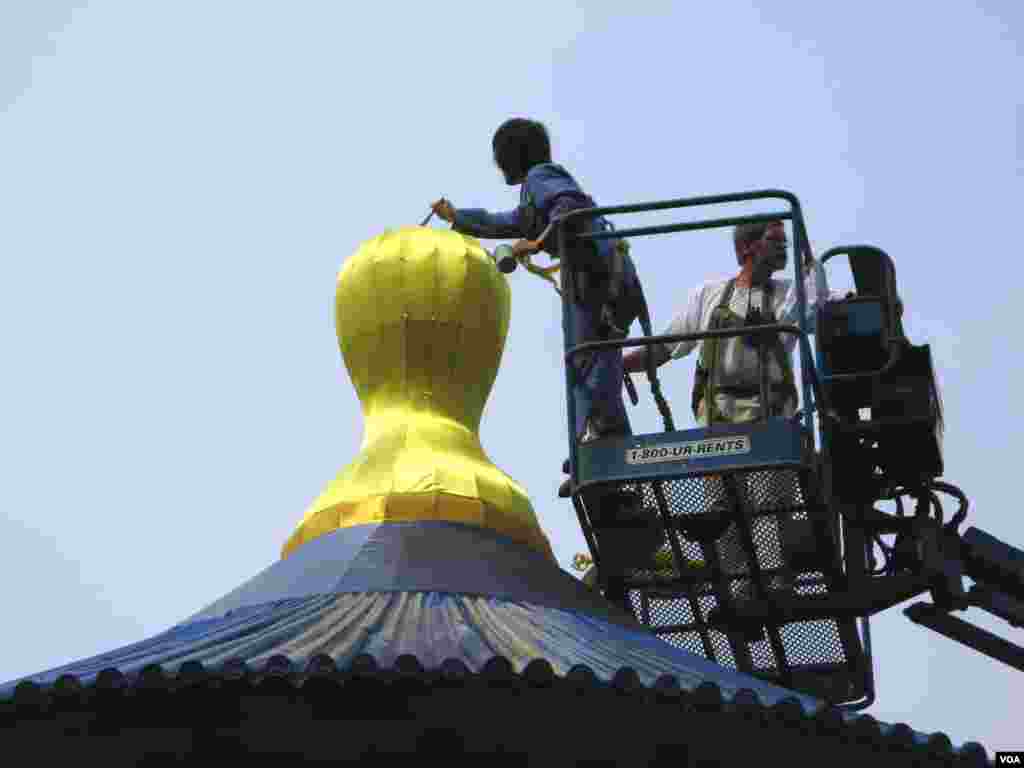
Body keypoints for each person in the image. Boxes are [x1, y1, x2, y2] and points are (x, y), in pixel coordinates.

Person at [430, 118, 645, 500]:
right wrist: (457, 217)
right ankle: (604, 455)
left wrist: (538, 242)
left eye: (499, 156)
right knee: (591, 364)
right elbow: (501, 223)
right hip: (596, 284)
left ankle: (601, 453)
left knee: (589, 365)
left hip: (598, 282)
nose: (497, 165)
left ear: (511, 155)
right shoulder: (531, 197)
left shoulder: (540, 177)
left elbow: (570, 206)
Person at [622, 219, 830, 598]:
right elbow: (665, 347)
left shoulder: (788, 295)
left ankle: (775, 586)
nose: (783, 247)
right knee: (723, 513)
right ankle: (738, 593)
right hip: (720, 424)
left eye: (785, 241)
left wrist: (816, 267)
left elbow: (824, 306)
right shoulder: (710, 296)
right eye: (774, 240)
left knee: (770, 505)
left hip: (770, 419)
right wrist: (620, 364)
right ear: (747, 248)